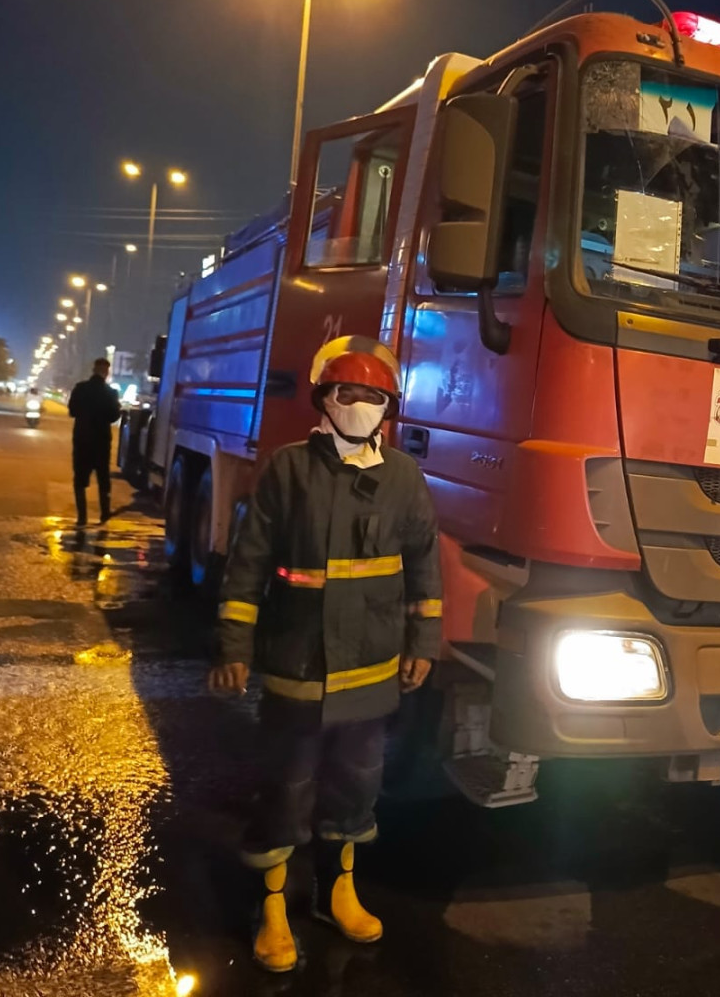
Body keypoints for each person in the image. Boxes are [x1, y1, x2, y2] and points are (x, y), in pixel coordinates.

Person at [207, 335, 441, 973]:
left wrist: (424, 643)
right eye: (347, 392)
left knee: (356, 785)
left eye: (373, 396)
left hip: (372, 670)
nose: (360, 404)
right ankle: (272, 907)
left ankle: (339, 893)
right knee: (286, 789)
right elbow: (248, 562)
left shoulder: (403, 477)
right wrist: (233, 646)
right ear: (324, 400)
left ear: (388, 408)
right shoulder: (288, 468)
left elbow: (424, 566)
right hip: (299, 666)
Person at [67, 358, 122, 526]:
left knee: (80, 480)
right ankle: (104, 514)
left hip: (82, 440)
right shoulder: (111, 393)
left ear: (93, 369)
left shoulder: (80, 388)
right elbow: (114, 416)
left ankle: (82, 517)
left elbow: (72, 411)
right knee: (103, 479)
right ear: (106, 372)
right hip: (101, 442)